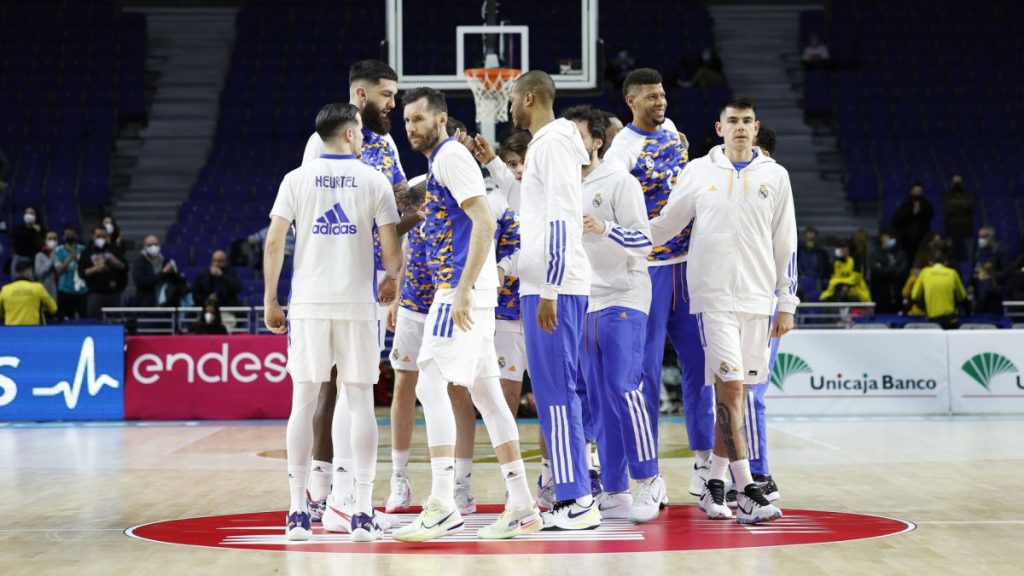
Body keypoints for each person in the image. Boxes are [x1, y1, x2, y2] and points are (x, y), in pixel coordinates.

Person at [392, 87, 541, 542]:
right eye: (407, 121)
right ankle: (521, 504)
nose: (411, 127)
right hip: (469, 290)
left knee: (431, 380)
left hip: (460, 291)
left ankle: (441, 503)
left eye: (419, 118)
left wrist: (460, 289)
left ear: (441, 119)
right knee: (488, 396)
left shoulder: (452, 156)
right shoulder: (440, 163)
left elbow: (486, 222)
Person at [649, 95, 797, 524]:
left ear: (756, 127)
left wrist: (786, 301)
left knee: (739, 394)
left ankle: (714, 479)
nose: (739, 128)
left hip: (759, 301)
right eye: (731, 121)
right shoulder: (697, 172)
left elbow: (785, 243)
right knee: (730, 390)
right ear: (719, 128)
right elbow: (665, 226)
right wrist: (615, 235)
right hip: (712, 299)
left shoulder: (777, 176)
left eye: (746, 121)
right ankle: (747, 486)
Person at [264, 103, 403, 542]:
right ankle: (361, 511)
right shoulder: (374, 179)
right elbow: (391, 248)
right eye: (360, 132)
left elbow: (273, 242)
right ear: (348, 134)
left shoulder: (294, 179)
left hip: (307, 305)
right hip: (357, 306)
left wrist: (270, 298)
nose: (363, 138)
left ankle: (297, 512)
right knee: (361, 402)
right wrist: (394, 280)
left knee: (302, 402)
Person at [300, 61, 420, 523]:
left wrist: (428, 197)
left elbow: (398, 207)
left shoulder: (387, 142)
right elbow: (319, 213)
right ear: (361, 95)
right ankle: (321, 483)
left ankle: (341, 489)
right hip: (333, 275)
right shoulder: (322, 142)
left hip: (374, 278)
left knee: (356, 381)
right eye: (387, 95)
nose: (394, 104)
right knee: (326, 382)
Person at [603, 67, 712, 501]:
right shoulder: (620, 153)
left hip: (690, 265)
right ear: (631, 101)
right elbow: (609, 205)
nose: (660, 101)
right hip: (647, 270)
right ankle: (648, 474)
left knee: (701, 367)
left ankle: (706, 465)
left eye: (663, 94)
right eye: (650, 97)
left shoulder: (672, 131)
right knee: (643, 373)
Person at [505, 70, 599, 530]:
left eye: (511, 99)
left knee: (558, 391)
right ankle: (573, 490)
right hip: (544, 283)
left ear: (529, 98)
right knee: (553, 391)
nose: (508, 107)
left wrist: (550, 288)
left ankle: (576, 497)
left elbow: (563, 219)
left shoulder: (554, 142)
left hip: (554, 288)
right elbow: (544, 227)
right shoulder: (547, 144)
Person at [565, 104, 663, 523]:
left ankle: (650, 481)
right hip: (585, 298)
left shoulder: (620, 181)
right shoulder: (564, 185)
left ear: (597, 141)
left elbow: (644, 241)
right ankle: (617, 488)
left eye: (578, 136)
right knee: (600, 401)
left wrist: (604, 228)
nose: (571, 143)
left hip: (625, 293)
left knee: (625, 388)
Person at [79, 225, 127, 319]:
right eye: (98, 236)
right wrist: (96, 269)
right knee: (94, 322)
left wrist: (117, 263)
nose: (101, 239)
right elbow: (81, 273)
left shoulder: (114, 249)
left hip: (114, 293)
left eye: (103, 237)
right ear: (93, 237)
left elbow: (125, 268)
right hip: (95, 293)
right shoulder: (86, 252)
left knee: (115, 322)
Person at [911, 251, 966, 329]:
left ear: (930, 262)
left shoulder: (924, 272)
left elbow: (914, 296)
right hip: (950, 320)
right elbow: (962, 296)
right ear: (945, 262)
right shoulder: (953, 273)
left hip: (933, 321)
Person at [132, 235, 187, 307]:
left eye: (156, 244)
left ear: (160, 246)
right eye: (150, 245)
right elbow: (142, 282)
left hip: (167, 305)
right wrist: (163, 272)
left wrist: (173, 272)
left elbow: (179, 282)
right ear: (144, 247)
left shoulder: (167, 262)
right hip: (147, 305)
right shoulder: (139, 263)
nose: (153, 247)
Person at [0, 260, 58, 325]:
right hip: (35, 331)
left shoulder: (5, 289)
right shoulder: (38, 288)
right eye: (31, 271)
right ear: (28, 272)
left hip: (11, 331)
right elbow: (53, 308)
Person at [891, 182, 934, 258]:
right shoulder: (905, 204)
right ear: (911, 191)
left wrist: (921, 211)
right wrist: (912, 212)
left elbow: (930, 215)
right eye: (916, 191)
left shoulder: (926, 204)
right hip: (907, 239)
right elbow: (897, 219)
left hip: (922, 238)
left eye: (919, 191)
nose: (917, 193)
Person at [54, 226, 88, 320]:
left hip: (82, 290)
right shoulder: (58, 251)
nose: (70, 236)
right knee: (65, 318)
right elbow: (59, 270)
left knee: (83, 317)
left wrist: (77, 259)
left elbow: (86, 267)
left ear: (76, 235)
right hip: (65, 290)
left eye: (72, 234)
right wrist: (70, 258)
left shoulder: (83, 249)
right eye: (67, 235)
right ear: (63, 237)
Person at [871, 229, 909, 314]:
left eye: (892, 238)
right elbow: (876, 272)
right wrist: (893, 268)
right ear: (881, 238)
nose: (890, 240)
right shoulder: (875, 254)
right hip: (881, 298)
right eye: (887, 237)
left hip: (898, 297)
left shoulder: (900, 254)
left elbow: (902, 272)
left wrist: (885, 268)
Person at [943, 174, 976, 264]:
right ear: (952, 184)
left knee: (969, 258)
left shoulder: (969, 196)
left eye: (959, 182)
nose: (957, 184)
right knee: (950, 258)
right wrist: (962, 206)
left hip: (967, 231)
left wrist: (956, 205)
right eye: (955, 182)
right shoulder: (947, 197)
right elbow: (948, 209)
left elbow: (970, 206)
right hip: (951, 231)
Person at [797, 227, 829, 301]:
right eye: (808, 239)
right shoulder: (798, 252)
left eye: (812, 240)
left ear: (816, 239)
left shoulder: (822, 253)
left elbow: (825, 271)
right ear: (804, 239)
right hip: (800, 282)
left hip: (817, 282)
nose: (810, 242)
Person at [11, 206, 45, 277]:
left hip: (33, 259)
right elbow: (17, 240)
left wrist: (37, 232)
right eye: (26, 213)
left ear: (36, 216)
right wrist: (30, 229)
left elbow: (40, 244)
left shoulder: (40, 229)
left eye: (31, 213)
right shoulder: (18, 228)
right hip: (19, 257)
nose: (28, 215)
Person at [34, 230, 59, 302]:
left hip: (62, 290)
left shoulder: (61, 253)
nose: (53, 241)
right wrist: (51, 260)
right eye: (50, 239)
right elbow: (39, 273)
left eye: (55, 239)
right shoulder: (39, 255)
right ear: (45, 240)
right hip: (47, 291)